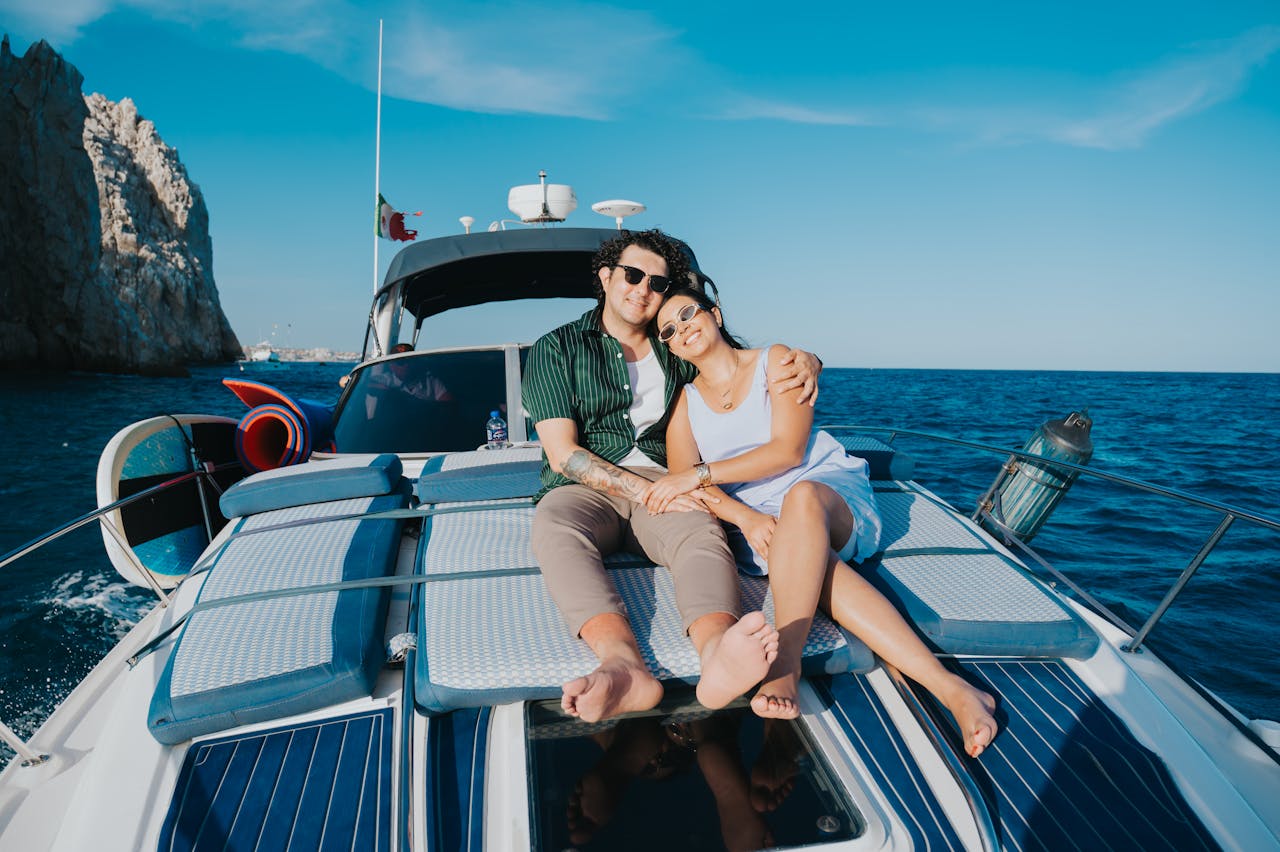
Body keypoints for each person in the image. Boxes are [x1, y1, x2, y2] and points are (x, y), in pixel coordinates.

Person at [642, 286, 999, 758]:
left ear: (715, 313)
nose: (681, 327)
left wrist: (704, 472)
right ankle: (954, 689)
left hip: (822, 488)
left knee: (802, 499)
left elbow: (787, 451)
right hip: (761, 522)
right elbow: (693, 489)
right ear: (669, 346)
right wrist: (743, 516)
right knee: (815, 568)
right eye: (668, 329)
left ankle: (785, 661)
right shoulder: (686, 405)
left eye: (687, 313)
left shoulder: (778, 361)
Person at [521, 229, 823, 723]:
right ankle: (623, 667)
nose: (643, 289)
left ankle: (717, 653)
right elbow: (563, 455)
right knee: (555, 527)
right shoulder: (557, 348)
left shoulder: (675, 342)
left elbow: (741, 365)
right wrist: (644, 489)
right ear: (606, 277)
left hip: (669, 478)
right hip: (586, 487)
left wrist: (808, 359)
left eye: (658, 283)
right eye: (632, 275)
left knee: (701, 533)